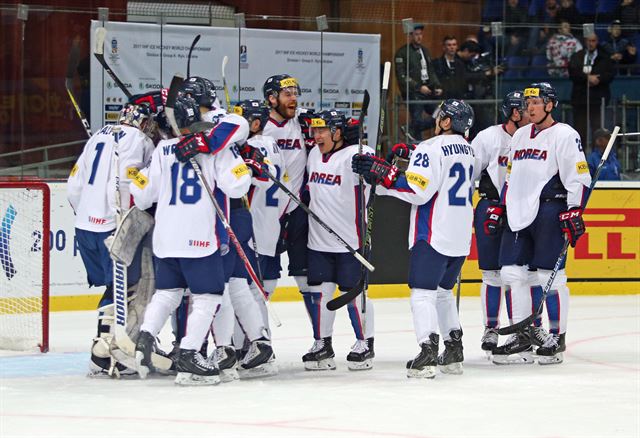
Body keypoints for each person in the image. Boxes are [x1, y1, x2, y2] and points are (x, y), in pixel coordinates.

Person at [131, 95, 252, 386]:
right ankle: (189, 354)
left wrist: (137, 178)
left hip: (164, 238)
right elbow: (237, 188)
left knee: (167, 293)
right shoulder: (215, 149)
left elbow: (144, 194)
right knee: (208, 297)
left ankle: (145, 339)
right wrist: (243, 165)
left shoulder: (163, 149)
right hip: (199, 238)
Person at [352, 99, 475, 379]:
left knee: (422, 293)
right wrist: (411, 153)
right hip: (459, 235)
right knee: (443, 292)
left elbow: (417, 190)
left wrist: (384, 176)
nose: (436, 119)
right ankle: (453, 349)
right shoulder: (469, 150)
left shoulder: (431, 148)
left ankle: (428, 351)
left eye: (440, 116)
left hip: (433, 233)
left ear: (446, 122)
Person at [180, 78, 276, 381]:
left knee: (216, 286)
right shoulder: (207, 123)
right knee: (235, 282)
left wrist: (202, 141)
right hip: (230, 212)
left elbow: (232, 126)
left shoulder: (218, 120)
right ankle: (258, 341)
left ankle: (224, 349)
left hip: (226, 213)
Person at [489, 82, 591, 365]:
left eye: (536, 103)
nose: (529, 108)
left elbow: (579, 177)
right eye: (527, 103)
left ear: (549, 105)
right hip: (518, 212)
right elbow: (510, 177)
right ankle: (523, 335)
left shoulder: (565, 134)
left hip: (550, 211)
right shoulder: (520, 135)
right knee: (511, 274)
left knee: (550, 277)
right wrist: (501, 205)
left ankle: (557, 337)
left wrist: (574, 210)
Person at [67, 102, 155, 377]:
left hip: (85, 226)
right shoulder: (138, 139)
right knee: (129, 289)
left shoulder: (97, 136)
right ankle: (111, 351)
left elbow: (74, 185)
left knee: (113, 287)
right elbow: (128, 181)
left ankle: (103, 351)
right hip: (114, 226)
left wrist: (84, 214)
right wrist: (130, 219)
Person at [301, 110, 375, 371]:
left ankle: (364, 342)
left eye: (322, 130)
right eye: (314, 131)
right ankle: (322, 343)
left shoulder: (356, 155)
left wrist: (369, 167)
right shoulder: (312, 155)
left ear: (338, 132)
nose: (316, 136)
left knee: (353, 295)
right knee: (319, 294)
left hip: (349, 240)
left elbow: (374, 172)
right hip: (318, 240)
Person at [471, 91, 539, 357]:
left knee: (518, 272)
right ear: (514, 113)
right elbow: (469, 172)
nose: (531, 112)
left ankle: (522, 329)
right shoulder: (488, 137)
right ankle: (491, 327)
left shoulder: (535, 138)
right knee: (492, 273)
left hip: (522, 209)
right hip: (491, 206)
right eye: (526, 108)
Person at [262, 74, 314, 331]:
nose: (294, 98)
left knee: (307, 279)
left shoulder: (302, 123)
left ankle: (320, 341)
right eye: (287, 94)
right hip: (267, 213)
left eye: (295, 93)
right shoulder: (259, 125)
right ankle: (258, 341)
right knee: (264, 280)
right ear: (272, 99)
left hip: (297, 210)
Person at [394, 23, 443, 140]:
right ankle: (416, 140)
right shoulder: (402, 52)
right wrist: (418, 87)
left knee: (440, 114)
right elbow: (402, 77)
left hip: (428, 92)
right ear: (410, 36)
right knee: (418, 118)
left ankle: (410, 128)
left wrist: (437, 86)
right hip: (413, 93)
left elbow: (431, 71)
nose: (419, 37)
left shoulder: (425, 51)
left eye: (421, 34)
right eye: (416, 34)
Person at [569, 32, 615, 146]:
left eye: (593, 41)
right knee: (580, 130)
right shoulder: (577, 56)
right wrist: (587, 78)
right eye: (589, 41)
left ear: (597, 41)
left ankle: (599, 159)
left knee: (598, 130)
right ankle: (580, 158)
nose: (591, 43)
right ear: (585, 41)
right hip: (580, 100)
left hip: (598, 99)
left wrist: (598, 79)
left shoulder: (605, 57)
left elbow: (610, 73)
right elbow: (573, 73)